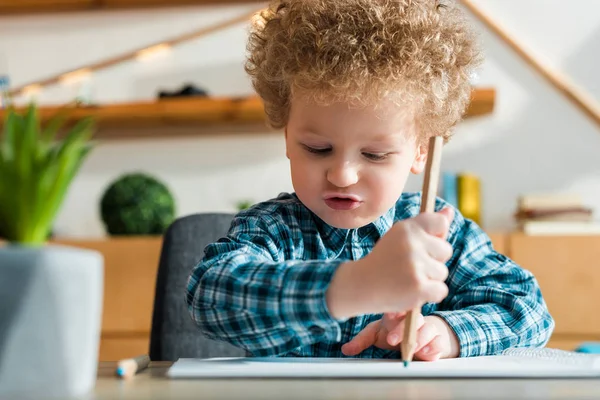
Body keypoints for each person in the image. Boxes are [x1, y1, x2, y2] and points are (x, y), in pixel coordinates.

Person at [186, 0, 554, 360]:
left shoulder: (439, 231)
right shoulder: (273, 230)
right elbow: (210, 296)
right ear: (287, 139)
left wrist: (447, 332)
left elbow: (527, 307)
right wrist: (354, 285)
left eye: (375, 154)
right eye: (317, 148)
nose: (342, 175)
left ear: (421, 152)